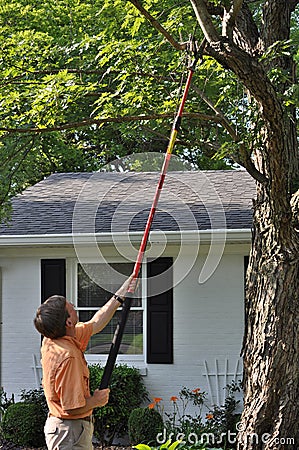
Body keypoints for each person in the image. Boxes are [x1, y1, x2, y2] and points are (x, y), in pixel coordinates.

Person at [34, 274, 134, 450]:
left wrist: (121, 293)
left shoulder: (55, 338)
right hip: (68, 433)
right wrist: (96, 401)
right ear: (69, 321)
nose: (72, 305)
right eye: (69, 306)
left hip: (69, 430)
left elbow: (96, 323)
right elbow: (71, 408)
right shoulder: (68, 357)